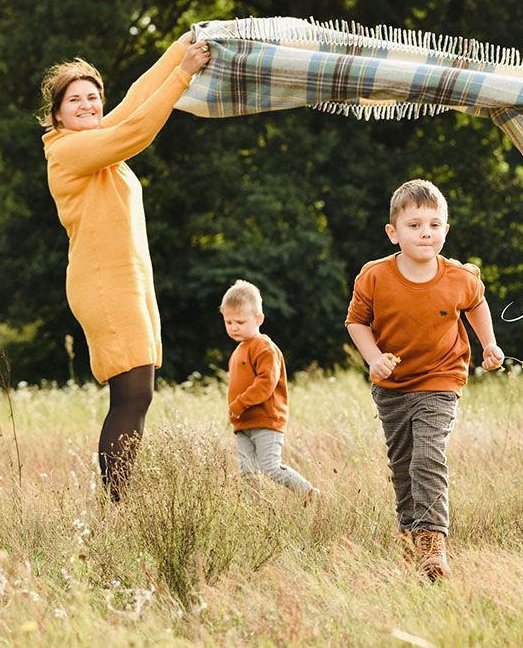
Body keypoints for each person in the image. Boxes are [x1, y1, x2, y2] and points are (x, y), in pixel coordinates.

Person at [39, 32, 210, 501]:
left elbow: (135, 102)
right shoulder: (71, 150)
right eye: (75, 100)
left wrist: (180, 48)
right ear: (57, 114)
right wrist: (183, 74)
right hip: (103, 284)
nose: (88, 105)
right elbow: (137, 131)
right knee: (132, 395)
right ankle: (119, 507)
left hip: (128, 281)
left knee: (140, 393)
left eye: (93, 97)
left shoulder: (95, 139)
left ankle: (121, 502)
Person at [345, 179, 504, 580]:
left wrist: (489, 344)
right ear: (393, 232)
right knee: (402, 463)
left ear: (446, 231)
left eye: (434, 224)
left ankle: (433, 542)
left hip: (441, 377)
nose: (425, 233)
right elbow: (356, 322)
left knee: (427, 455)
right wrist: (374, 357)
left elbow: (477, 304)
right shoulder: (374, 276)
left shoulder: (459, 277)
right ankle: (408, 533)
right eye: (414, 225)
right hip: (393, 384)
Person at [220, 280, 317, 498]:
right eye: (229, 322)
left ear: (258, 319)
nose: (234, 327)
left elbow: (266, 383)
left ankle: (309, 493)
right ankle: (254, 514)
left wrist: (239, 404)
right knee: (247, 473)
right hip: (243, 421)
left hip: (266, 419)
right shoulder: (238, 351)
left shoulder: (263, 347)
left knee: (270, 466)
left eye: (240, 321)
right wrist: (236, 411)